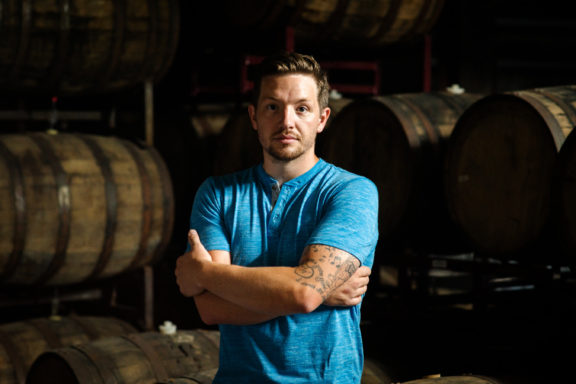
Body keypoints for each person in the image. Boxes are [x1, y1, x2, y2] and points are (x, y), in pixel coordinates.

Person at [175, 51, 379, 383]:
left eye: (302, 108)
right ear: (254, 116)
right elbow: (211, 309)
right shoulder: (217, 194)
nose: (287, 121)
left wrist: (205, 273)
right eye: (273, 107)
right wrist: (319, 293)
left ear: (322, 118)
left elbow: (303, 293)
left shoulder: (352, 192)